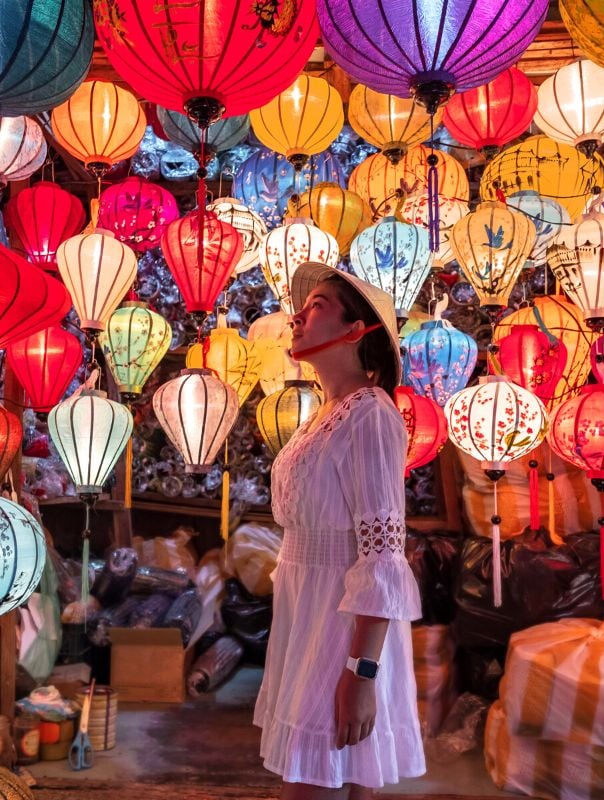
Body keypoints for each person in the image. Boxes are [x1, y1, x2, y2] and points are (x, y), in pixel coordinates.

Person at [254, 261, 425, 799]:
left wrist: (362, 671)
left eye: (317, 307)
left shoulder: (370, 415)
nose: (297, 318)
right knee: (332, 780)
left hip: (343, 626)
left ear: (356, 330)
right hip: (307, 616)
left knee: (318, 778)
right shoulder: (324, 414)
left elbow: (382, 553)